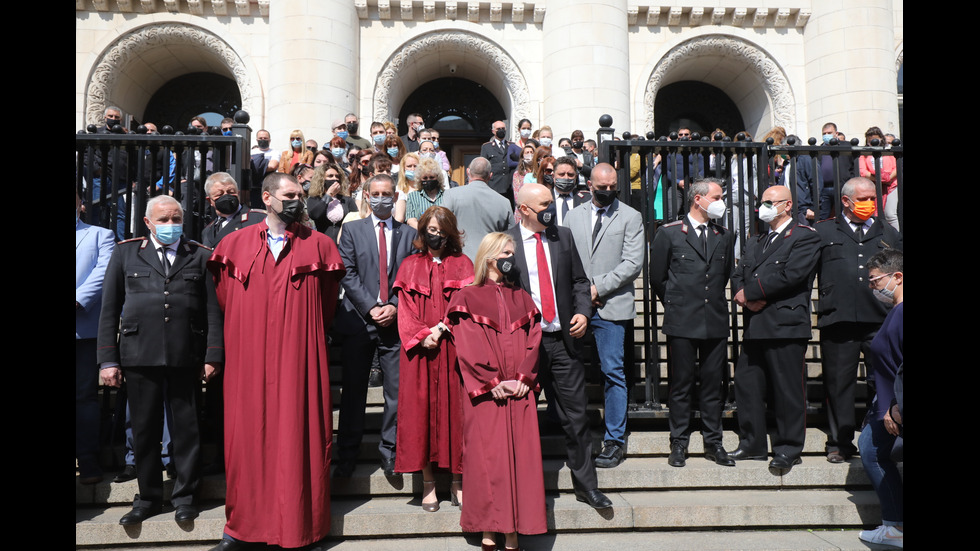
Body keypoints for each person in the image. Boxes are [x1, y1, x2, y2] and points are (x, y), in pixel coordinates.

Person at [207, 173, 345, 550]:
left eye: (301, 195)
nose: (297, 201)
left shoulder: (319, 245)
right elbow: (223, 300)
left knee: (300, 433)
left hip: (301, 352)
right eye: (290, 194)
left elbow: (327, 304)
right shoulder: (232, 244)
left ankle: (301, 526)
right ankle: (241, 528)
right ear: (267, 197)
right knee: (246, 437)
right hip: (248, 354)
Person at [97, 195, 223, 525]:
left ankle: (185, 496)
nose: (171, 225)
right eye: (164, 219)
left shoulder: (199, 254)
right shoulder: (126, 252)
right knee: (143, 430)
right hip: (139, 356)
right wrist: (107, 360)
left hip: (186, 355)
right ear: (148, 223)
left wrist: (213, 355)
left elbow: (212, 310)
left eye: (176, 218)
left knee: (187, 430)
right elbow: (109, 309)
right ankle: (149, 497)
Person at [508, 183, 613, 509]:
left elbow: (580, 281)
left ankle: (586, 486)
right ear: (524, 209)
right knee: (518, 420)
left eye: (550, 202)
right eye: (542, 204)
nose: (550, 209)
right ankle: (519, 491)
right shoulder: (506, 242)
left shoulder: (562, 236)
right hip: (526, 346)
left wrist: (583, 311)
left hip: (563, 343)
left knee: (577, 417)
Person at [447, 232, 547, 551]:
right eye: (505, 252)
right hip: (486, 393)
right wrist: (493, 381)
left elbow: (534, 340)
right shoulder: (467, 296)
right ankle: (490, 528)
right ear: (489, 257)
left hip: (518, 390)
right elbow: (467, 345)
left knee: (520, 460)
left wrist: (522, 377)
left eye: (512, 253)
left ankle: (514, 530)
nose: (510, 259)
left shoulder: (522, 297)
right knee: (487, 459)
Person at [730, 185, 820, 475]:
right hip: (756, 323)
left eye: (771, 202)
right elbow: (739, 272)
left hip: (785, 325)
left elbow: (792, 275)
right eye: (762, 202)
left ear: (788, 205)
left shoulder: (804, 237)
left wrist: (754, 294)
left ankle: (788, 448)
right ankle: (752, 443)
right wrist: (741, 293)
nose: (764, 207)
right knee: (748, 385)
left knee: (787, 390)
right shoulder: (755, 240)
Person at [649, 178, 736, 468]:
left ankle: (714, 442)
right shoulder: (670, 233)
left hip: (714, 320)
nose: (721, 201)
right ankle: (679, 442)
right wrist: (678, 304)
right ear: (698, 199)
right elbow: (658, 277)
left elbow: (723, 275)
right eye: (717, 196)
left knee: (714, 385)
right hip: (682, 320)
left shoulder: (723, 234)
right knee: (681, 385)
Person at [815, 177, 902, 463]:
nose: (869, 204)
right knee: (839, 383)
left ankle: (882, 437)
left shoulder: (887, 232)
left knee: (881, 382)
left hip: (879, 320)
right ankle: (839, 442)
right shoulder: (824, 231)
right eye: (863, 198)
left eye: (872, 199)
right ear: (845, 200)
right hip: (839, 319)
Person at [334, 174, 415, 478]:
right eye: (376, 193)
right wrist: (371, 307)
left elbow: (410, 276)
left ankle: (390, 454)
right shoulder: (353, 230)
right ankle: (347, 455)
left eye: (387, 194)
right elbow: (347, 271)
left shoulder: (409, 234)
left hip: (396, 323)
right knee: (354, 392)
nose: (381, 199)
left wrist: (393, 305)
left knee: (395, 393)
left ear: (395, 198)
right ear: (367, 196)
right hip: (358, 320)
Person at [393, 206, 472, 511]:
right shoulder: (409, 265)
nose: (435, 235)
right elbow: (405, 310)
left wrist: (443, 328)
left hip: (454, 349)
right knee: (421, 415)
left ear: (450, 233)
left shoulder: (463, 264)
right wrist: (423, 335)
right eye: (431, 229)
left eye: (441, 230)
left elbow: (465, 305)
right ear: (423, 230)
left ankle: (457, 482)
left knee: (457, 413)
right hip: (420, 353)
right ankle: (428, 484)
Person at [565, 163, 644, 468]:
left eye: (613, 186)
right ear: (589, 184)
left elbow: (632, 263)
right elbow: (566, 258)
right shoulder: (573, 216)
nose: (608, 191)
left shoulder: (631, 216)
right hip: (576, 306)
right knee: (571, 373)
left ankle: (614, 441)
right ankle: (576, 433)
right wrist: (579, 294)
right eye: (603, 186)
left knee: (613, 372)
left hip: (611, 305)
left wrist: (596, 288)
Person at [858, 249, 903, 549]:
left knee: (871, 449)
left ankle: (895, 527)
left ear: (897, 276)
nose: (873, 288)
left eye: (875, 281)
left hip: (896, 407)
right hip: (889, 404)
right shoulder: (896, 312)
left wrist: (898, 408)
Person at [76, 191, 115, 484]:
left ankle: (88, 459)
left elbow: (104, 272)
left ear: (81, 204)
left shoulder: (100, 235)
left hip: (84, 328)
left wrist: (77, 301)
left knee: (85, 397)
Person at [441, 157, 514, 261]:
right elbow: (510, 237)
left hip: (458, 260)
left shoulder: (450, 195)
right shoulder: (504, 202)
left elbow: (441, 225)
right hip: (489, 262)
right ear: (490, 175)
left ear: (468, 172)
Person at [200, 172, 266, 248]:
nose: (226, 196)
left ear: (238, 193)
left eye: (231, 192)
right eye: (219, 194)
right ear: (209, 200)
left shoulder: (258, 219)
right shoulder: (207, 231)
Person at [307, 163, 357, 242]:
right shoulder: (314, 199)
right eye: (330, 176)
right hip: (322, 242)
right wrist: (328, 195)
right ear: (322, 179)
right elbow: (315, 215)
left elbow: (355, 220)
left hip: (343, 243)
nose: (335, 179)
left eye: (337, 176)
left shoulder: (347, 200)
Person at [481, 120, 517, 203]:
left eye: (503, 128)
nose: (501, 130)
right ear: (493, 131)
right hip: (494, 185)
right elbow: (484, 167)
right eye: (498, 129)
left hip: (509, 186)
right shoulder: (487, 147)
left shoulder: (512, 145)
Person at [404, 157, 446, 229]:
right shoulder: (413, 196)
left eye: (432, 177)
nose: (428, 180)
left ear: (438, 177)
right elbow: (411, 220)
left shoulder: (447, 195)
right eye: (425, 178)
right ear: (419, 179)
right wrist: (426, 231)